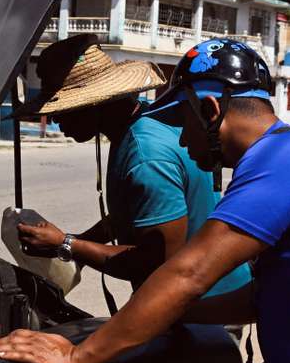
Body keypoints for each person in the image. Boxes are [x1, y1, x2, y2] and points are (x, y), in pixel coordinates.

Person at [0, 39, 290, 363]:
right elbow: (263, 297)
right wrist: (158, 318)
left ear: (210, 111)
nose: (183, 142)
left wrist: (77, 355)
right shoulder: (289, 157)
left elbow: (187, 274)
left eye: (180, 122)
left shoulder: (286, 160)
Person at [14, 34, 251, 296]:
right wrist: (75, 241)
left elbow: (156, 264)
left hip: (204, 306)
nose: (57, 121)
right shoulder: (141, 120)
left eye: (63, 110)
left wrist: (68, 244)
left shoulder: (145, 156)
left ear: (94, 104)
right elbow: (135, 214)